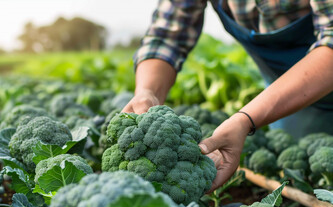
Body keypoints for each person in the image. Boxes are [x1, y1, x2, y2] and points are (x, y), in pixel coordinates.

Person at [122, 0, 333, 192]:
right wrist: (147, 91)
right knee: (308, 173)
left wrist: (245, 119)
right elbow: (167, 37)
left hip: (308, 79)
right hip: (288, 98)